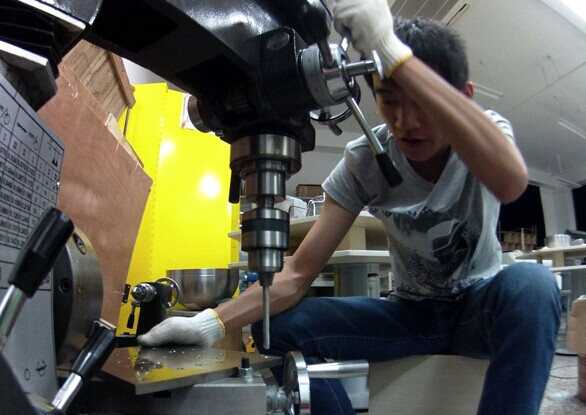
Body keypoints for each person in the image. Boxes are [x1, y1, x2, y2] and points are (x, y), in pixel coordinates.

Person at [138, 0, 561, 413]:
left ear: (461, 98)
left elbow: (510, 181)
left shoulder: (483, 134)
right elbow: (298, 274)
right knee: (274, 326)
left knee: (534, 286)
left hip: (479, 307)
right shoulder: (365, 159)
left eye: (423, 102)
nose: (406, 122)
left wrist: (389, 48)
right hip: (410, 315)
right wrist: (209, 324)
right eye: (390, 101)